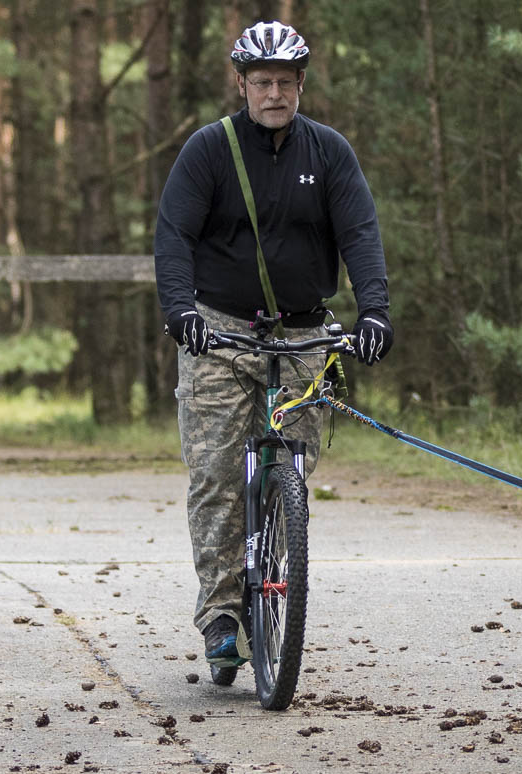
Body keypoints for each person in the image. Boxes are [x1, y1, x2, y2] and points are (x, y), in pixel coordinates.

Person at [154, 20, 393, 674]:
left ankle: (272, 583)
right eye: (262, 82)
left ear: (301, 85)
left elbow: (361, 233)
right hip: (219, 330)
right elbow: (173, 235)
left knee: (293, 467)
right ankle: (223, 613)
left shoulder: (330, 153)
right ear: (241, 84)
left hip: (304, 332)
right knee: (215, 473)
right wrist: (180, 311)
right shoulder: (209, 151)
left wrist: (374, 311)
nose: (274, 93)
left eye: (286, 82)